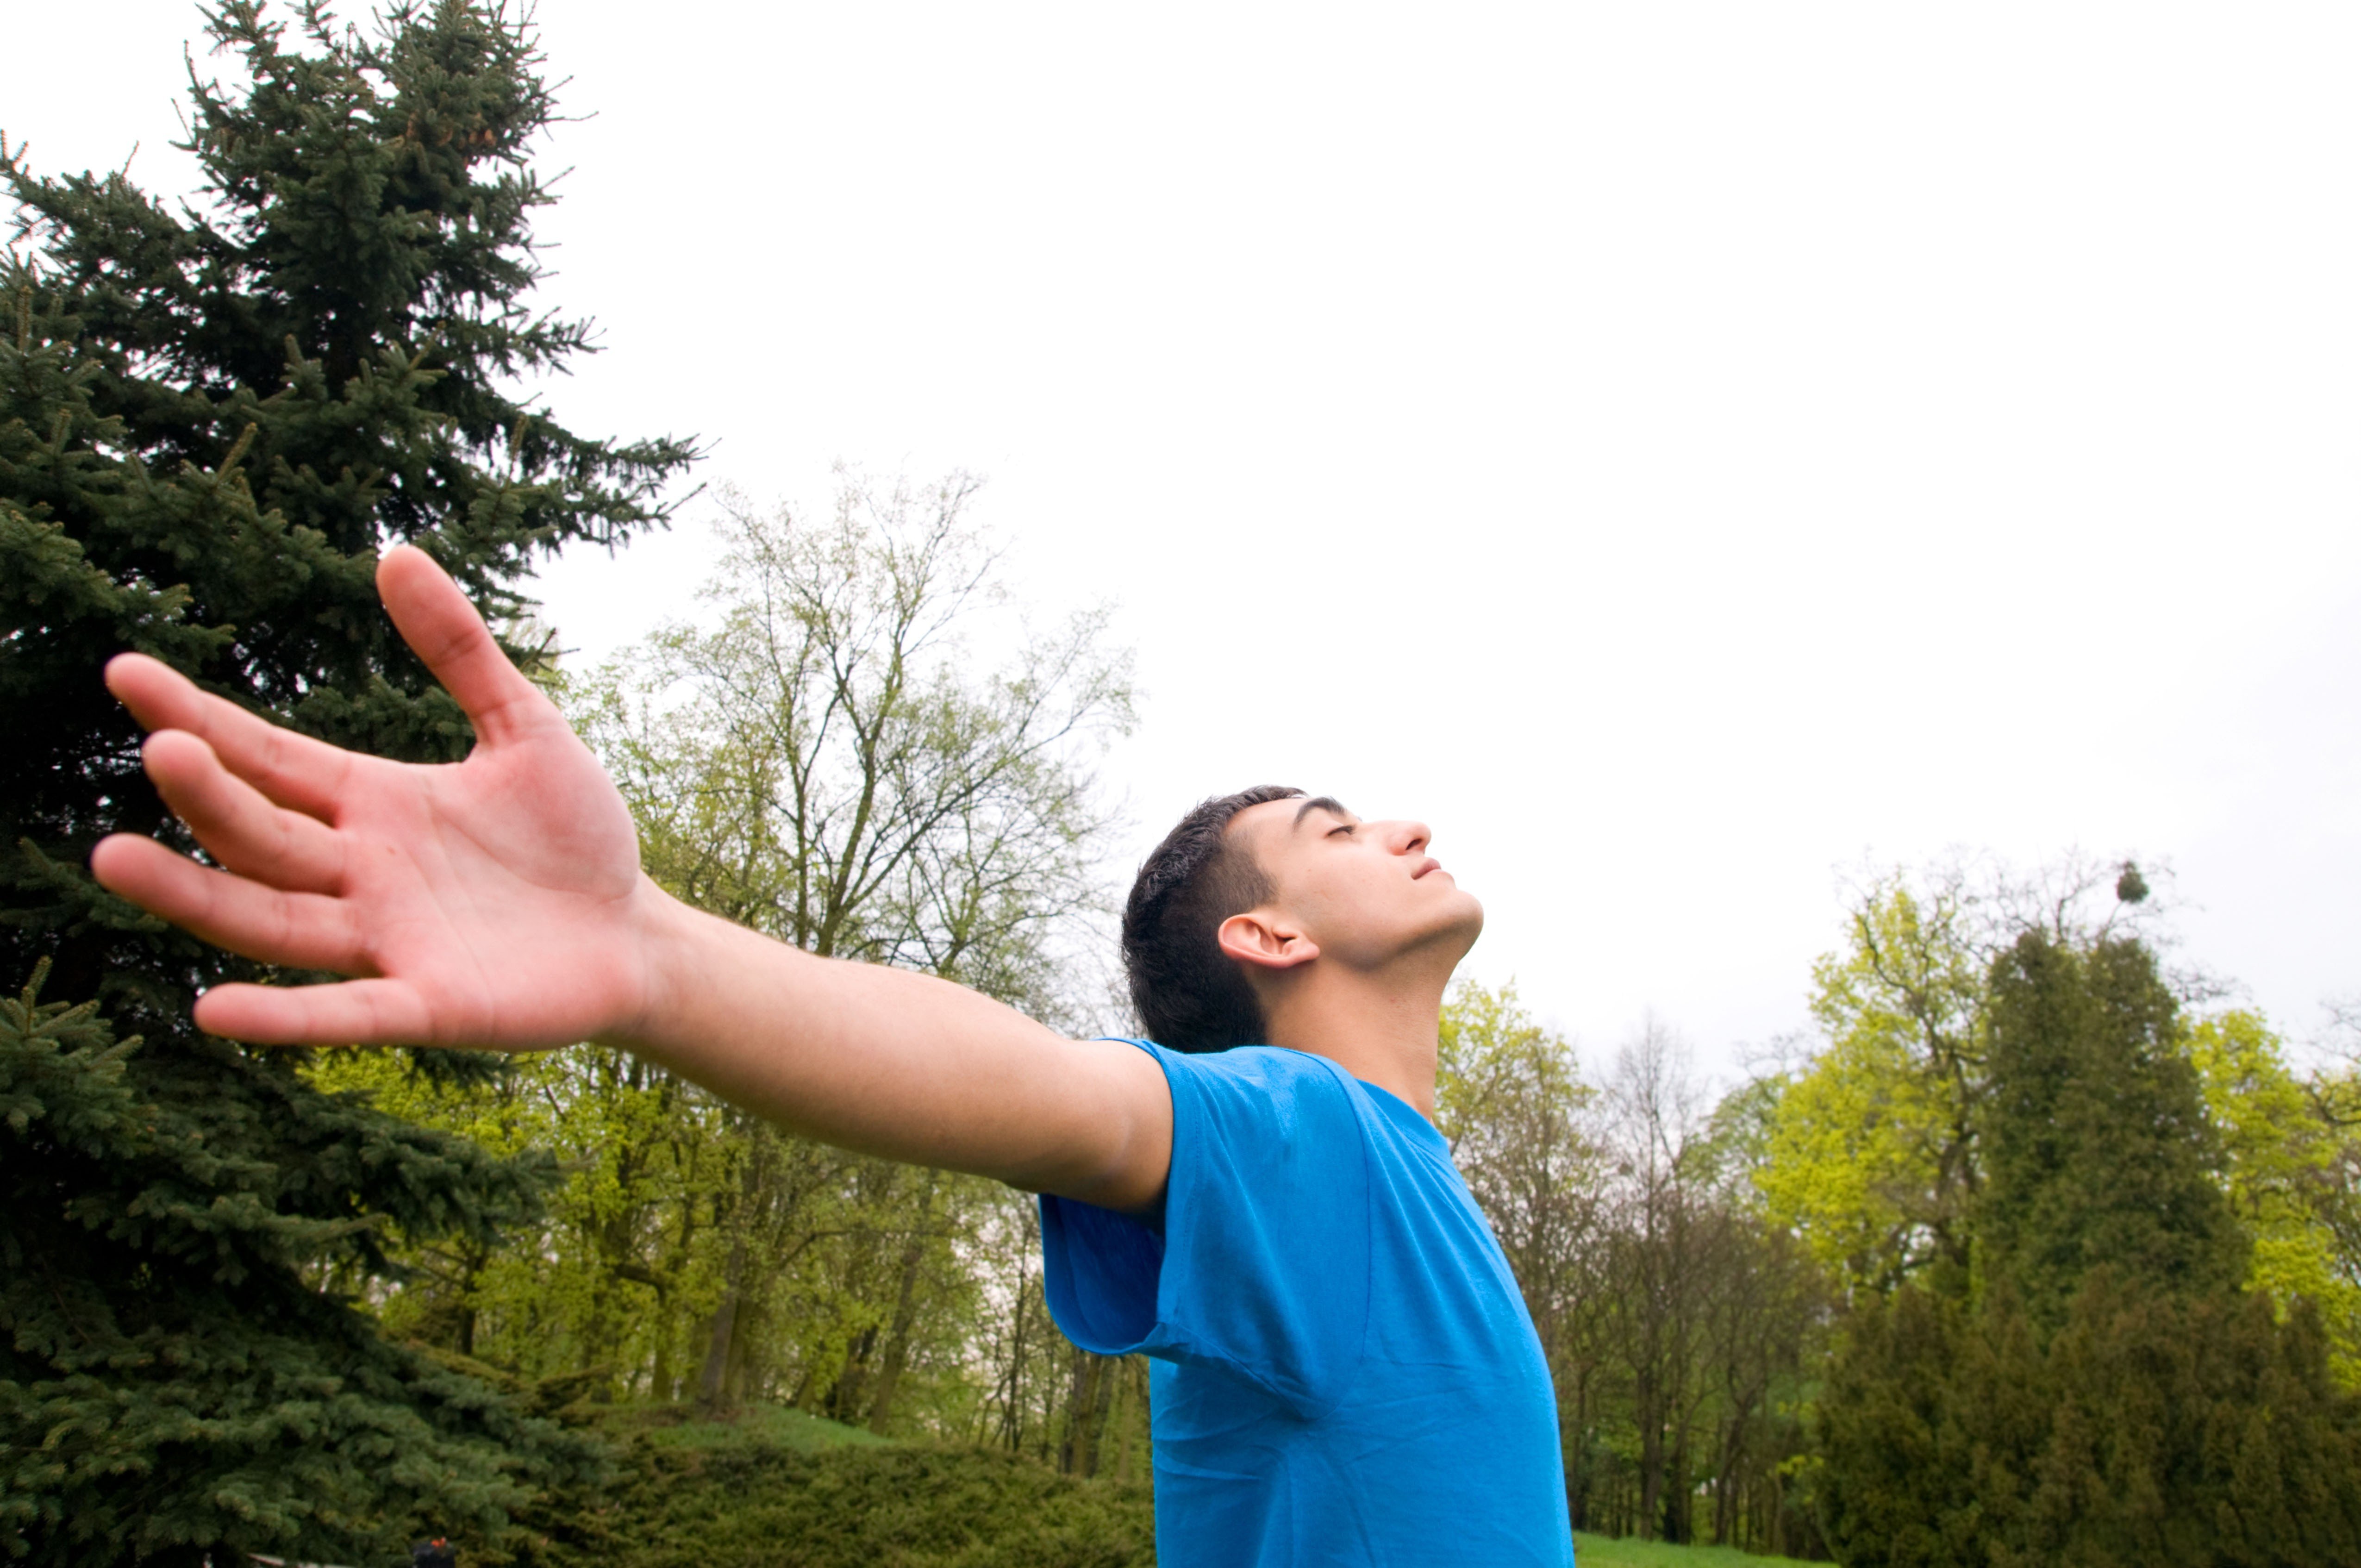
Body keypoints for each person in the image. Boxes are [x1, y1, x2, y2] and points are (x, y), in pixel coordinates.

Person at [92, 547, 1575, 1567]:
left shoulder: (1384, 1178)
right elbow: (1040, 1087)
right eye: (1340, 827)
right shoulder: (1310, 1142)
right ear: (1262, 936)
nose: (1406, 827)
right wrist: (648, 951)